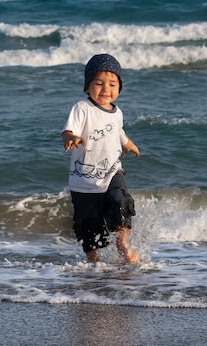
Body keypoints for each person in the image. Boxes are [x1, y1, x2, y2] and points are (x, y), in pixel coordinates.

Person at [61, 54, 140, 263]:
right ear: (87, 86)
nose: (106, 89)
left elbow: (118, 131)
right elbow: (68, 130)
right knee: (89, 225)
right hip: (84, 181)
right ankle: (94, 261)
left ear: (119, 88)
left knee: (120, 201)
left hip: (113, 170)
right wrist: (71, 138)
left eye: (112, 84)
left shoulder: (117, 112)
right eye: (99, 83)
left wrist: (128, 143)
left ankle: (123, 244)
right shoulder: (82, 108)